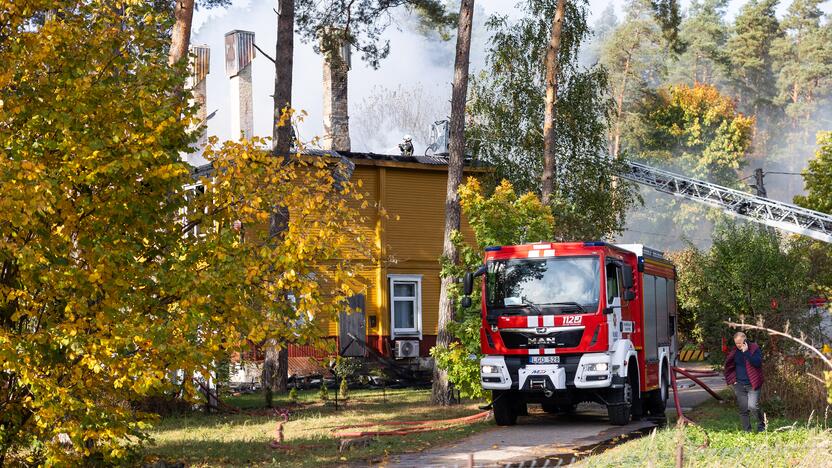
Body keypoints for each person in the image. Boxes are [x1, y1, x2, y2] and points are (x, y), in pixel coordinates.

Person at [724, 331, 765, 432]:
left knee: (752, 406)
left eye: (740, 343)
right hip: (739, 384)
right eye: (736, 343)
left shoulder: (754, 349)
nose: (738, 345)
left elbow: (757, 363)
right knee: (743, 409)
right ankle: (747, 431)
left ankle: (762, 425)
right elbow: (729, 366)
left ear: (745, 340)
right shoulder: (734, 351)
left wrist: (746, 352)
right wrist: (733, 380)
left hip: (752, 384)